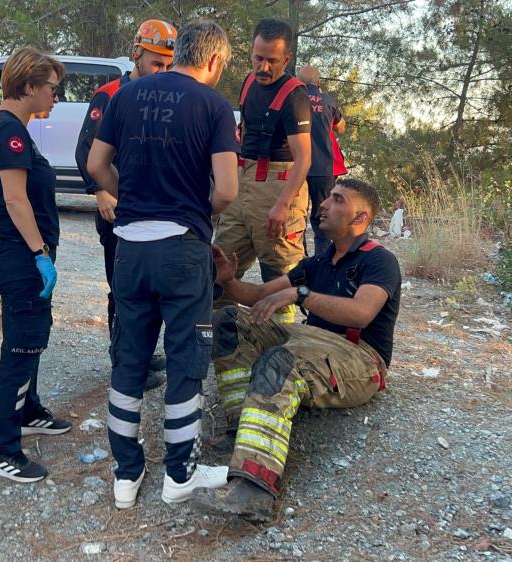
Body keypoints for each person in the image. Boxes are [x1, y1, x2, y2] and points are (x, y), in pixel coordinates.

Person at [87, 20, 239, 510]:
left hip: (129, 244)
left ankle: (125, 475)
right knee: (185, 359)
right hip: (181, 248)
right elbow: (228, 190)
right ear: (214, 61)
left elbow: (94, 166)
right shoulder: (214, 105)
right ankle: (180, 475)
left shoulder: (125, 95)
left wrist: (129, 196)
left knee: (128, 359)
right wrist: (197, 211)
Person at [193, 178, 401, 521]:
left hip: (360, 357)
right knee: (227, 320)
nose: (323, 204)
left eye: (337, 200)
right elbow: (260, 296)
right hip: (310, 342)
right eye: (328, 197)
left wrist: (301, 295)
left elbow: (363, 314)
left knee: (280, 362)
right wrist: (228, 280)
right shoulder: (318, 264)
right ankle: (242, 426)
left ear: (360, 218)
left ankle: (253, 490)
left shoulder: (379, 261)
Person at [0, 48, 72, 483]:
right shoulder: (8, 131)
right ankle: (3, 448)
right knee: (20, 348)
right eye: (51, 88)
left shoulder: (8, 128)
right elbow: (13, 198)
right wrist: (39, 254)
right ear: (28, 86)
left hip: (18, 251)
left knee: (31, 337)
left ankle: (28, 410)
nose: (56, 96)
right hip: (18, 253)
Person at [74, 20, 179, 391]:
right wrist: (99, 190)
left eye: (168, 66)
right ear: (137, 54)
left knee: (149, 288)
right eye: (156, 63)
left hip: (150, 210)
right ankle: (124, 361)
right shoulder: (110, 94)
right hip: (116, 208)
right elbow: (85, 149)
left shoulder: (167, 97)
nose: (162, 72)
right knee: (122, 288)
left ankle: (144, 352)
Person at [213, 18, 312, 324]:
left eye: (272, 61)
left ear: (287, 59)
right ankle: (220, 341)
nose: (263, 67)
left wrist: (283, 205)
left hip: (277, 186)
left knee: (279, 269)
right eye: (258, 58)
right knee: (220, 264)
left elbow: (304, 159)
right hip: (242, 182)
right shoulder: (248, 82)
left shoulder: (295, 96)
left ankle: (280, 347)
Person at [296, 65, 346, 255]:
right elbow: (340, 127)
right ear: (318, 83)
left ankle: (300, 258)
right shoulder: (329, 101)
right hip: (323, 168)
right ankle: (322, 259)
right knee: (323, 216)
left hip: (296, 168)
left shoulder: (291, 100)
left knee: (295, 216)